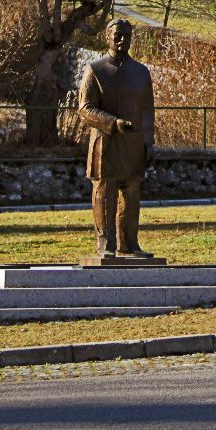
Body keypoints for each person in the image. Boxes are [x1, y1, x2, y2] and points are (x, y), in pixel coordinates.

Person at [78, 19, 155, 258]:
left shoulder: (141, 72)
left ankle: (129, 243)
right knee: (105, 193)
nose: (123, 40)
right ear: (107, 37)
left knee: (131, 193)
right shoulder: (95, 69)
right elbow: (85, 108)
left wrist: (149, 142)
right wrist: (112, 123)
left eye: (127, 36)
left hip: (133, 145)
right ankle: (106, 245)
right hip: (106, 144)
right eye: (118, 35)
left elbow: (147, 110)